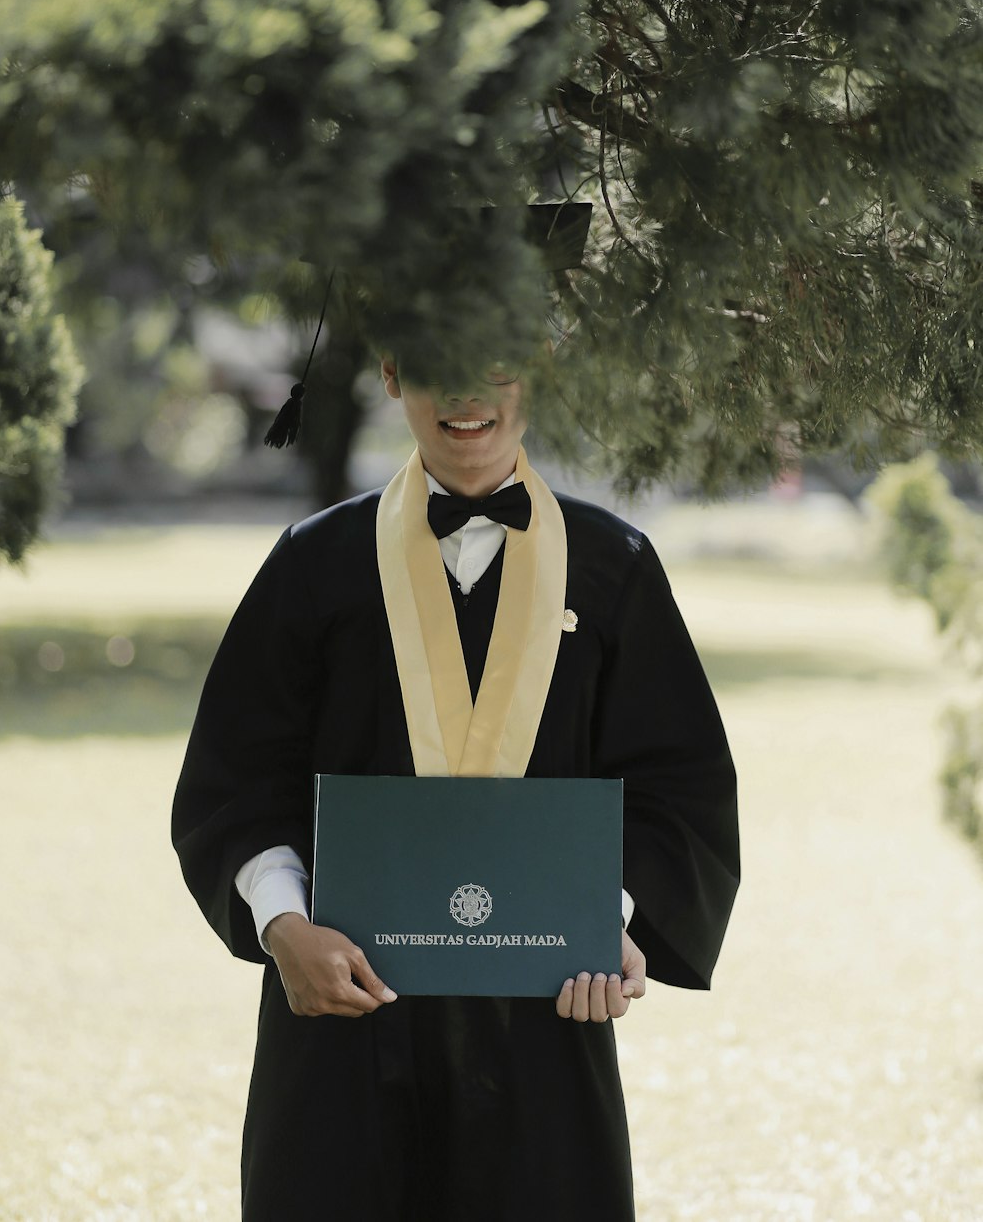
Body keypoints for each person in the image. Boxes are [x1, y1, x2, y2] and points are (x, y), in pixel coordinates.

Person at [172, 352, 739, 1222]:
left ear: (543, 370)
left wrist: (609, 918)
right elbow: (236, 779)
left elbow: (679, 788)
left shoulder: (611, 566)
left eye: (500, 363)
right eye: (439, 363)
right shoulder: (315, 563)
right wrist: (284, 926)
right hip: (342, 1026)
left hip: (544, 1026)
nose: (469, 396)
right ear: (394, 376)